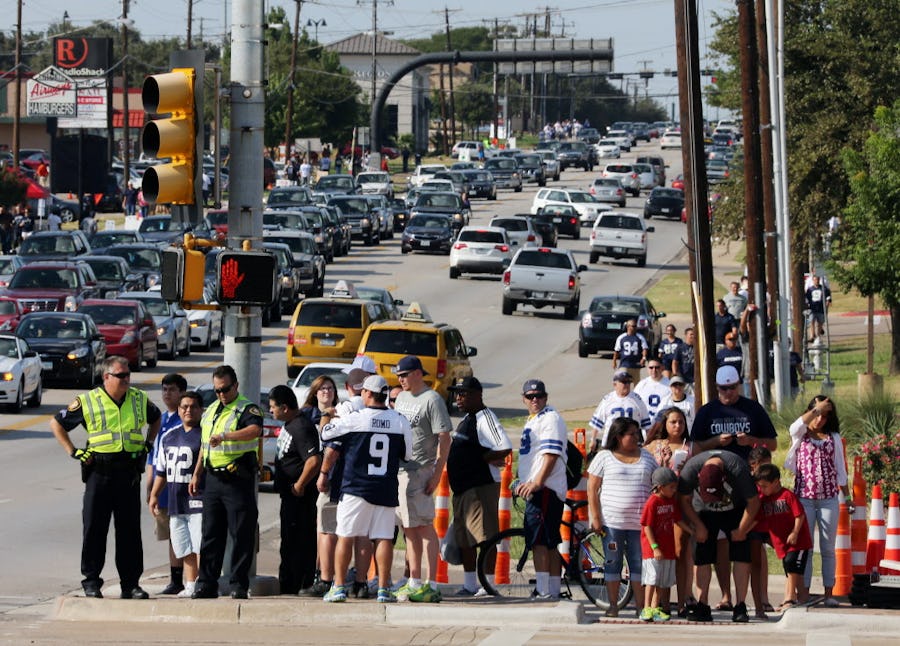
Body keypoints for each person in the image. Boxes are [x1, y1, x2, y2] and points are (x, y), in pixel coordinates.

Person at [49, 355, 161, 599]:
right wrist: (74, 451)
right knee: (94, 529)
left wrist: (148, 443)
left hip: (128, 474)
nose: (126, 379)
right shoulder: (88, 400)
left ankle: (130, 584)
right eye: (121, 375)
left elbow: (156, 418)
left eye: (128, 374)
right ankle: (91, 581)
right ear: (106, 377)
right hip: (99, 473)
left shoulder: (138, 398)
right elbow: (56, 424)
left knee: (129, 532)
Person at [318, 375, 413, 603]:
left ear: (368, 394)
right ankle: (383, 588)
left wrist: (328, 415)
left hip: (356, 487)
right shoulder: (400, 420)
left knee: (345, 536)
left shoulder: (355, 419)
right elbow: (407, 455)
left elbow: (325, 434)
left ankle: (338, 587)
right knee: (383, 537)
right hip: (385, 487)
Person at [189, 365, 264, 599]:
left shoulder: (246, 408)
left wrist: (225, 436)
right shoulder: (211, 409)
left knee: (241, 534)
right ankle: (206, 583)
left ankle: (238, 584)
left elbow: (255, 430)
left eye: (225, 389)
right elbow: (204, 444)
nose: (221, 394)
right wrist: (197, 473)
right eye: (217, 390)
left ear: (236, 385)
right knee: (210, 533)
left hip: (237, 479)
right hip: (213, 479)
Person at [392, 355, 453, 603]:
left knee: (425, 526)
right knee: (409, 527)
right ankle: (414, 580)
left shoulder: (432, 399)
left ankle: (432, 582)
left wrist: (436, 474)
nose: (401, 380)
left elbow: (445, 438)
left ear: (418, 373)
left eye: (404, 375)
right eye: (398, 376)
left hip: (422, 470)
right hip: (401, 471)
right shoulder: (402, 398)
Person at [445, 377, 512, 597]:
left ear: (477, 395)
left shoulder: (485, 417)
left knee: (485, 538)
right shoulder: (467, 418)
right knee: (465, 539)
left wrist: (483, 459)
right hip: (462, 489)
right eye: (457, 394)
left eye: (463, 394)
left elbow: (504, 446)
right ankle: (470, 585)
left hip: (480, 487)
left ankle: (488, 584)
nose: (458, 398)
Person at [677, 450, 761, 623]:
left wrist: (742, 529)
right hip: (703, 511)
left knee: (741, 554)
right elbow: (683, 500)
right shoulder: (690, 470)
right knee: (701, 555)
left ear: (724, 478)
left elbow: (753, 502)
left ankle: (740, 605)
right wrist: (698, 525)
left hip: (735, 509)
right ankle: (702, 604)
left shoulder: (738, 469)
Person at [784, 395, 849, 608]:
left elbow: (841, 469)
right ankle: (805, 593)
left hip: (829, 498)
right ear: (810, 412)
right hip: (804, 499)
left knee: (828, 548)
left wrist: (847, 497)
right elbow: (793, 427)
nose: (820, 420)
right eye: (817, 414)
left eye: (825, 416)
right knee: (807, 548)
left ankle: (829, 593)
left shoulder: (833, 437)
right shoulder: (801, 434)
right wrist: (816, 409)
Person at [587, 417, 656, 617]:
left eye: (637, 433)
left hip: (639, 524)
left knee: (638, 563)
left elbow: (656, 485)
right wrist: (596, 517)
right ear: (618, 436)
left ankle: (641, 607)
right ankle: (613, 605)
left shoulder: (647, 457)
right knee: (613, 562)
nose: (636, 437)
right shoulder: (604, 457)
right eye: (631, 434)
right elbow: (592, 489)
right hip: (612, 524)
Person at [515, 379, 569, 600]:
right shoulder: (534, 419)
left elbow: (551, 454)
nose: (534, 400)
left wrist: (537, 482)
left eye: (538, 396)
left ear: (546, 397)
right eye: (530, 396)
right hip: (540, 487)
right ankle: (553, 590)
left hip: (545, 488)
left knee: (539, 542)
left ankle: (543, 590)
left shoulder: (550, 418)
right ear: (524, 399)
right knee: (549, 542)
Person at [148, 390, 204, 598]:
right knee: (184, 545)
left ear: (201, 410)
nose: (189, 410)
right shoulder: (168, 436)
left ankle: (203, 583)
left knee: (199, 545)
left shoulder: (204, 434)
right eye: (184, 407)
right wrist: (154, 494)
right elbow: (161, 471)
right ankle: (189, 584)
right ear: (179, 410)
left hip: (198, 500)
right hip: (175, 500)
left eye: (193, 407)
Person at [270, 385, 322, 596]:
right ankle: (288, 583)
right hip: (289, 496)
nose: (270, 410)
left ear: (284, 407)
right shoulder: (290, 425)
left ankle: (300, 583)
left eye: (273, 407)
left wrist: (300, 485)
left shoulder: (301, 427)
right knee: (289, 542)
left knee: (299, 543)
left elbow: (313, 460)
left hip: (300, 498)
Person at [643, 406, 695, 615]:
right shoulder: (653, 446)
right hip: (658, 505)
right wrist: (663, 463)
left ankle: (682, 600)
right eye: (673, 421)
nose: (677, 425)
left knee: (679, 552)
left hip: (680, 502)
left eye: (681, 421)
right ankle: (654, 604)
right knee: (659, 554)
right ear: (664, 424)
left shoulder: (690, 446)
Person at [146, 373, 188, 595]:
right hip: (162, 489)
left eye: (172, 389)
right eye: (164, 389)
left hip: (181, 486)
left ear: (182, 392)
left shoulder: (185, 420)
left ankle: (190, 578)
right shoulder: (160, 420)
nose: (167, 394)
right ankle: (175, 579)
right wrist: (150, 488)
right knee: (172, 534)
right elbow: (153, 457)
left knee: (185, 533)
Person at [755, 464, 813, 610]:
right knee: (791, 569)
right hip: (783, 545)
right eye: (760, 486)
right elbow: (758, 520)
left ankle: (790, 597)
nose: (762, 489)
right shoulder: (765, 501)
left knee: (791, 563)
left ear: (776, 482)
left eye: (764, 486)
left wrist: (795, 532)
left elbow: (799, 515)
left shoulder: (787, 495)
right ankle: (803, 596)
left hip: (799, 542)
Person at [690, 366, 778, 462]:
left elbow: (773, 445)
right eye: (724, 388)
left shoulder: (754, 408)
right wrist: (715, 441)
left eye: (732, 387)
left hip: (748, 464)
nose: (729, 392)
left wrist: (749, 440)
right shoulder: (706, 411)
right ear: (717, 386)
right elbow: (694, 448)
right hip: (717, 465)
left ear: (738, 384)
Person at [640, 466, 693, 621]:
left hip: (667, 549)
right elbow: (647, 526)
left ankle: (655, 608)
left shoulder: (670, 501)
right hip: (653, 551)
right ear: (660, 487)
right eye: (671, 487)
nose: (674, 490)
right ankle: (646, 608)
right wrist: (654, 547)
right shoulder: (652, 502)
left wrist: (691, 531)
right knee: (652, 579)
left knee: (662, 581)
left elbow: (678, 519)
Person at [588, 370, 651, 452]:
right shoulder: (607, 400)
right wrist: (593, 439)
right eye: (624, 382)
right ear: (615, 384)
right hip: (611, 442)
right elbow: (597, 422)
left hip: (633, 442)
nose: (627, 385)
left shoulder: (637, 399)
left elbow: (646, 425)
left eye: (628, 382)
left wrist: (649, 442)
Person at [747, 445, 774, 619]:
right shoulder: (748, 483)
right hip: (753, 528)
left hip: (768, 526)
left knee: (790, 555)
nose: (767, 469)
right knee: (755, 565)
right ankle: (759, 606)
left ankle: (792, 596)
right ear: (753, 465)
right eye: (764, 465)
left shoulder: (771, 480)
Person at [805, 275, 831, 340]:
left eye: (817, 280)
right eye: (815, 280)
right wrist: (807, 305)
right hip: (812, 308)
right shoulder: (810, 289)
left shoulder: (823, 289)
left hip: (821, 308)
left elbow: (828, 296)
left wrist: (827, 302)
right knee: (811, 321)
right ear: (813, 280)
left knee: (820, 322)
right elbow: (807, 298)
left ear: (819, 280)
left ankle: (818, 336)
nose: (816, 281)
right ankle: (812, 335)